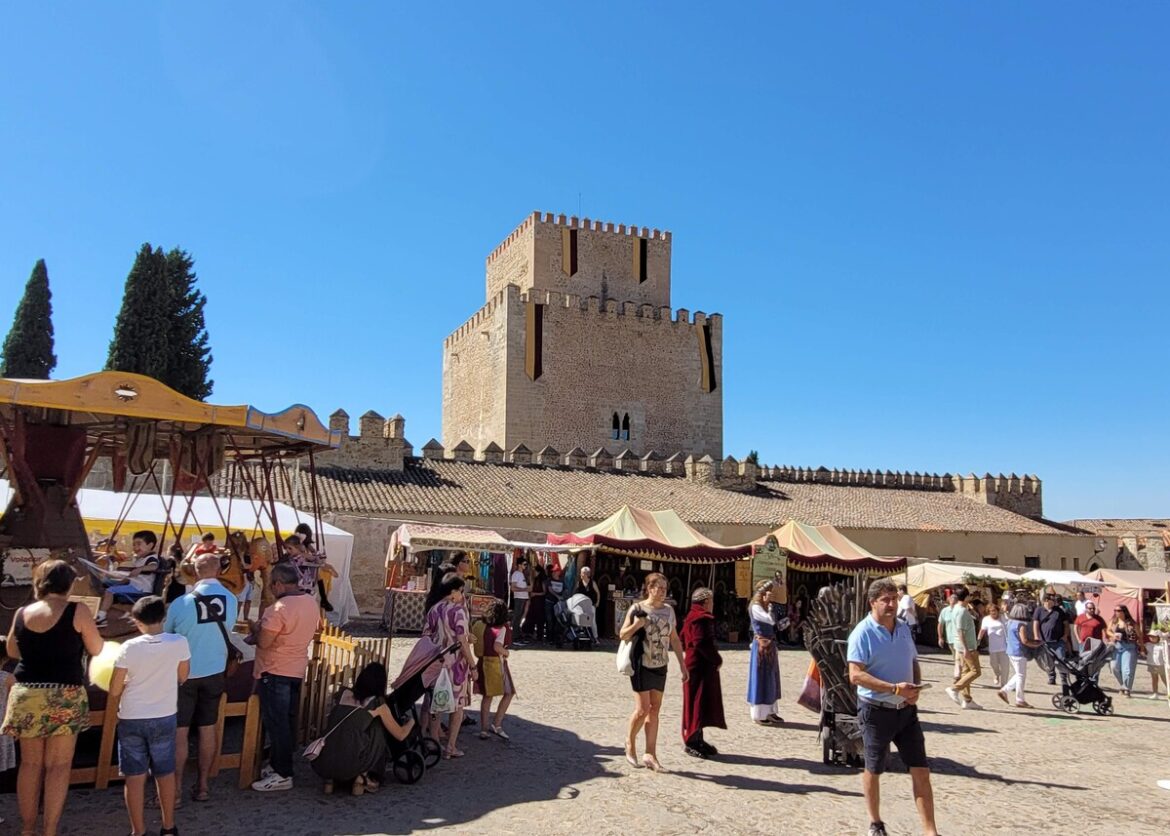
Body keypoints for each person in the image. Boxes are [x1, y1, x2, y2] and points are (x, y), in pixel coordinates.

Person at [2, 560, 104, 836]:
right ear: (69, 584)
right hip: (64, 693)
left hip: (27, 692)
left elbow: (12, 649)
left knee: (30, 764)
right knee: (58, 766)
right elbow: (97, 647)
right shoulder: (77, 610)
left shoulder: (22, 613)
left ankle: (27, 828)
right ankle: (49, 830)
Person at [847, 578, 938, 836]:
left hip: (906, 712)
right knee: (874, 769)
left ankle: (930, 830)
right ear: (872, 602)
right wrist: (894, 689)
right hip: (876, 711)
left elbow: (913, 662)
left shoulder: (903, 629)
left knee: (921, 769)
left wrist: (915, 690)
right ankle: (875, 822)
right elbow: (855, 675)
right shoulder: (862, 633)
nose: (891, 604)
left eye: (894, 599)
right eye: (885, 600)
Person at [109, 596, 191, 836]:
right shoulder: (179, 642)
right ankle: (168, 826)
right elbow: (183, 676)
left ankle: (138, 830)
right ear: (163, 618)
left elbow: (115, 689)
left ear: (136, 621)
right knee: (165, 773)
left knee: (134, 777)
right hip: (164, 714)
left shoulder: (129, 648)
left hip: (132, 715)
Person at [164, 552, 239, 803]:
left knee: (180, 731)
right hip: (215, 670)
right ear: (219, 571)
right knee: (208, 727)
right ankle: (203, 785)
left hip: (184, 673)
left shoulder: (181, 603)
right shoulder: (231, 599)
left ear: (195, 572)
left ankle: (174, 790)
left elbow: (167, 635)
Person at [250, 562, 321, 791]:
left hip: (275, 668)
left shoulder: (279, 608)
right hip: (296, 667)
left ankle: (283, 773)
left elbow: (264, 642)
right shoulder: (311, 603)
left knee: (276, 723)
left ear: (279, 584)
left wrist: (256, 630)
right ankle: (279, 764)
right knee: (287, 721)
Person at [311, 662, 414, 795]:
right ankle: (361, 777)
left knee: (346, 730)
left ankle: (329, 781)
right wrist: (411, 722)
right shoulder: (377, 704)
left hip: (323, 762)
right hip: (351, 764)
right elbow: (400, 735)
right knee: (377, 728)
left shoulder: (342, 694)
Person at [619, 572, 686, 773]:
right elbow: (622, 634)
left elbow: (674, 638)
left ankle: (650, 754)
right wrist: (637, 624)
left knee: (655, 709)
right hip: (641, 663)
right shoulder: (637, 608)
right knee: (642, 709)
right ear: (650, 588)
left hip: (660, 664)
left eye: (666, 589)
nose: (663, 592)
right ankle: (629, 742)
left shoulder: (669, 611)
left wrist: (682, 665)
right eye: (660, 588)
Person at [426, 573, 478, 758]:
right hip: (456, 665)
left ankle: (433, 743)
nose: (462, 594)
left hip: (436, 662)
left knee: (436, 704)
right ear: (454, 591)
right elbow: (462, 641)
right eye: (461, 590)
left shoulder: (434, 610)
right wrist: (472, 665)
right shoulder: (458, 611)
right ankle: (451, 747)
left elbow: (426, 635)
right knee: (457, 706)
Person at [680, 587, 725, 759]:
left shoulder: (691, 616)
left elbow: (683, 638)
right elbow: (700, 643)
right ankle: (691, 741)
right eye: (711, 601)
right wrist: (716, 659)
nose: (712, 604)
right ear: (706, 602)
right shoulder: (700, 619)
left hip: (696, 665)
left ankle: (699, 738)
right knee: (695, 703)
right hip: (698, 667)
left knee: (701, 702)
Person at [472, 599, 516, 740]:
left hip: (482, 662)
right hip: (496, 664)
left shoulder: (479, 625)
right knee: (509, 692)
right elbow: (497, 647)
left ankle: (484, 729)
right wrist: (506, 653)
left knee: (487, 696)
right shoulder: (502, 628)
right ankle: (497, 724)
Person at [97, 529, 161, 626]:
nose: (135, 547)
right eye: (134, 545)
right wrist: (121, 581)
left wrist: (140, 569)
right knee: (106, 583)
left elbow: (154, 566)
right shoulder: (140, 559)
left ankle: (101, 616)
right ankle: (127, 613)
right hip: (135, 586)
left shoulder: (151, 558)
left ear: (150, 545)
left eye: (139, 544)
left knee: (110, 591)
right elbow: (131, 576)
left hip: (141, 589)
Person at [747, 580, 785, 724]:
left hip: (770, 645)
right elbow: (769, 620)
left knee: (772, 678)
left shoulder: (762, 606)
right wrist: (769, 606)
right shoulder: (756, 607)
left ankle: (771, 711)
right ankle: (759, 714)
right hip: (762, 645)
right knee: (762, 678)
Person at [997, 603, 1042, 708]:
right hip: (1019, 651)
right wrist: (1036, 644)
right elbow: (1025, 640)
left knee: (1018, 674)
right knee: (1021, 675)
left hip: (1010, 650)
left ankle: (1005, 690)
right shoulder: (1021, 625)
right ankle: (1019, 699)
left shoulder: (1010, 622)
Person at [945, 588, 982, 710]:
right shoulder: (961, 611)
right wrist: (966, 648)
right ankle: (954, 688)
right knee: (975, 671)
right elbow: (960, 631)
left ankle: (967, 700)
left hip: (962, 646)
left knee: (966, 672)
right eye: (969, 595)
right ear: (966, 597)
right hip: (967, 647)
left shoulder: (958, 609)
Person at [1034, 593, 1072, 687]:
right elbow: (1036, 623)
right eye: (1052, 600)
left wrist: (1065, 636)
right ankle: (1051, 677)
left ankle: (1064, 679)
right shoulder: (1039, 610)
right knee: (1048, 660)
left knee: (1061, 660)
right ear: (1046, 600)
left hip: (1058, 641)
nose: (1054, 602)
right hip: (1045, 641)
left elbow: (1066, 624)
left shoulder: (1059, 611)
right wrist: (1036, 636)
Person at [1107, 605, 1142, 697]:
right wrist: (1113, 635)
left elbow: (1140, 635)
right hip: (1117, 646)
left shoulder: (1131, 623)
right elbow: (1108, 631)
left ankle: (1127, 689)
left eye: (1118, 610)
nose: (1116, 612)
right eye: (1115, 610)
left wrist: (1142, 648)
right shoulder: (1114, 621)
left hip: (1129, 647)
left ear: (1124, 611)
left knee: (1127, 669)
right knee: (1114, 668)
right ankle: (1123, 685)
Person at [978, 601, 1010, 688]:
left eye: (995, 610)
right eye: (991, 611)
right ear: (989, 612)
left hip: (1004, 646)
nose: (993, 612)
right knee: (994, 664)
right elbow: (982, 630)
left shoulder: (1003, 617)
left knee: (1005, 666)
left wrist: (1005, 611)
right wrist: (979, 639)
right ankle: (996, 674)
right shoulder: (986, 619)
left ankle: (1004, 684)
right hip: (993, 646)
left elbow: (1009, 622)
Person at [936, 593, 960, 682]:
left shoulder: (960, 610)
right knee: (955, 657)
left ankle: (957, 675)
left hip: (960, 639)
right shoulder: (945, 611)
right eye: (951, 601)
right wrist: (940, 637)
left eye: (955, 601)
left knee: (958, 657)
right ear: (949, 601)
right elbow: (940, 624)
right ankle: (959, 673)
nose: (953, 603)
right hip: (950, 639)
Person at [509, 557, 530, 641]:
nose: (525, 566)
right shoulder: (516, 574)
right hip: (519, 598)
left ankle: (517, 634)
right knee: (517, 616)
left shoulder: (521, 574)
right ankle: (514, 636)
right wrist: (524, 589)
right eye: (524, 564)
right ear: (519, 565)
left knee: (519, 616)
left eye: (526, 564)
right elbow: (513, 588)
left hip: (523, 598)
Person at [1145, 631, 1166, 699]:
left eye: (1154, 636)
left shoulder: (1162, 645)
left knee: (1164, 679)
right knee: (1154, 679)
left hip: (1161, 664)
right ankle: (1155, 693)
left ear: (1158, 637)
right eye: (1150, 636)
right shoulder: (1147, 644)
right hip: (1151, 664)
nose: (1152, 638)